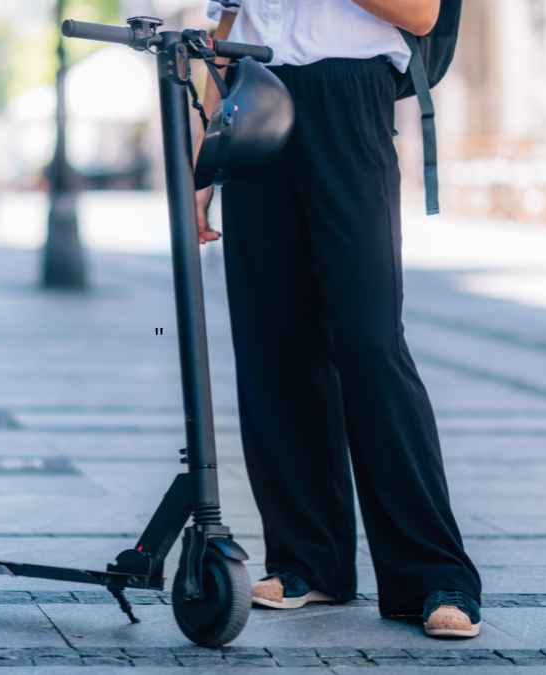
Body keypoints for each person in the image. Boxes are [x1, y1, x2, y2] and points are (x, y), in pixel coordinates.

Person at [195, 0, 483, 639]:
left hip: (350, 96)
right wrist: (201, 166)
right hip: (254, 100)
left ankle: (436, 576)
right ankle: (308, 562)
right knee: (273, 349)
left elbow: (421, 14)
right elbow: (222, 33)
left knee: (370, 344)